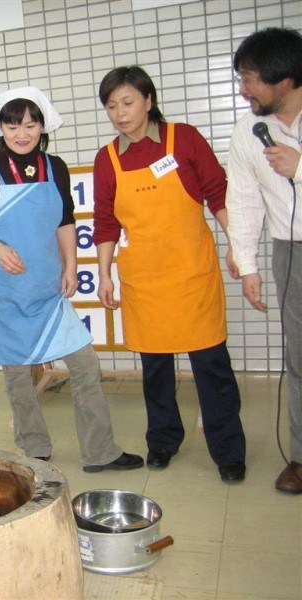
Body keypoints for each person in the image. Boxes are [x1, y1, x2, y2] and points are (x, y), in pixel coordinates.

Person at [0, 86, 143, 473]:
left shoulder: (54, 167)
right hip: (5, 290)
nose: (22, 133)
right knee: (18, 377)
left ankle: (100, 451)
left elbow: (65, 222)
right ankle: (34, 449)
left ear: (43, 125)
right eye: (13, 126)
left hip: (46, 289)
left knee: (84, 364)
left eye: (30, 124)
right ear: (1, 129)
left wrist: (71, 267)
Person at [92, 66, 247, 483]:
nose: (120, 113)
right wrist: (105, 274)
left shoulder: (185, 139)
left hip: (191, 273)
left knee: (211, 366)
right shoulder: (107, 159)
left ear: (148, 100)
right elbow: (105, 222)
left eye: (127, 102)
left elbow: (217, 191)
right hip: (144, 278)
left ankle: (228, 449)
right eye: (111, 106)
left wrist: (238, 244)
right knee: (155, 368)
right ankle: (162, 440)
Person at [226, 27, 302, 495]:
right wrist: (247, 264)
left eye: (251, 78)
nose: (243, 89)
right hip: (289, 250)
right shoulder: (247, 131)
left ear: (286, 79)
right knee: (299, 357)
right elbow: (244, 200)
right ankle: (300, 455)